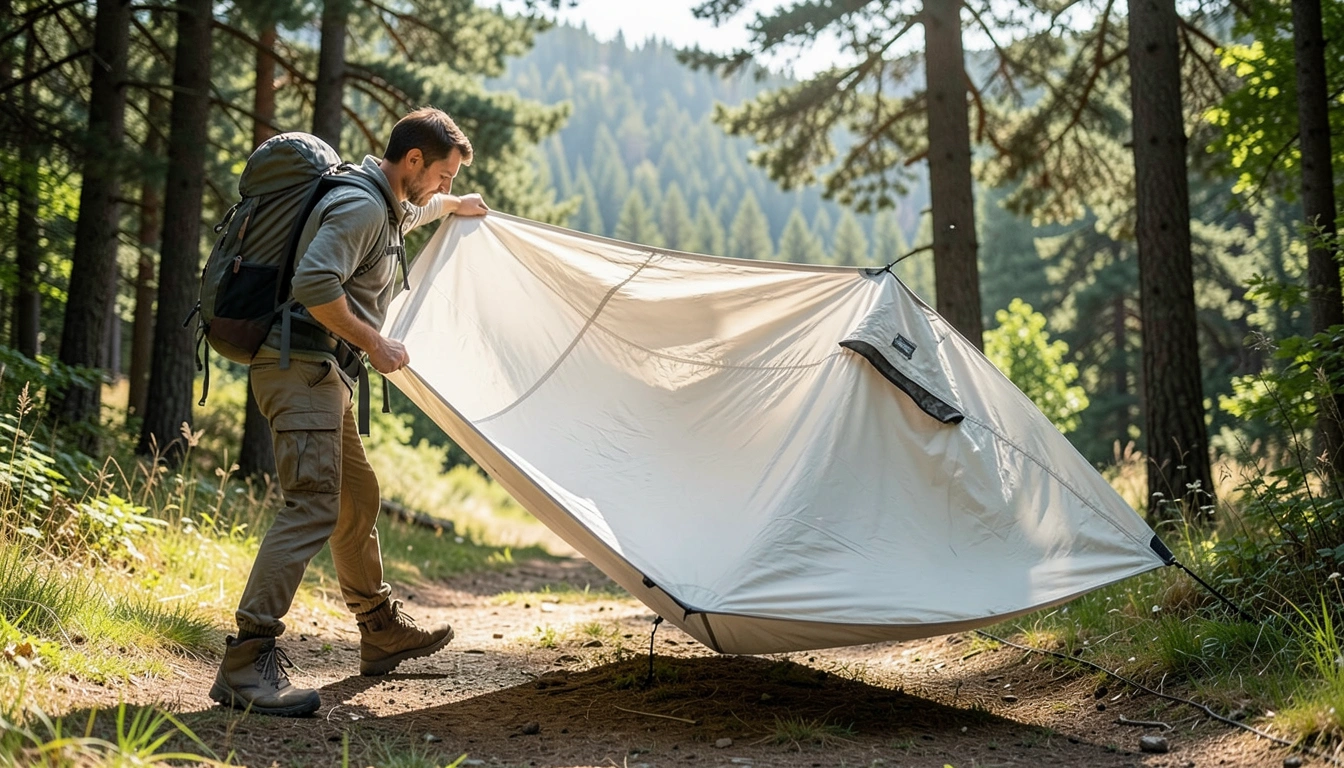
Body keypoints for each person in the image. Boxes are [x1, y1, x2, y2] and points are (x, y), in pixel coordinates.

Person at [209, 107, 489, 717]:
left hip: (322, 372)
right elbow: (314, 283)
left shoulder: (385, 205)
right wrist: (376, 342)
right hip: (301, 368)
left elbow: (415, 212)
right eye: (442, 174)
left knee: (357, 499)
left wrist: (453, 203)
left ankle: (379, 629)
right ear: (412, 161)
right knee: (313, 504)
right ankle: (244, 661)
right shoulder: (362, 206)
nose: (442, 185)